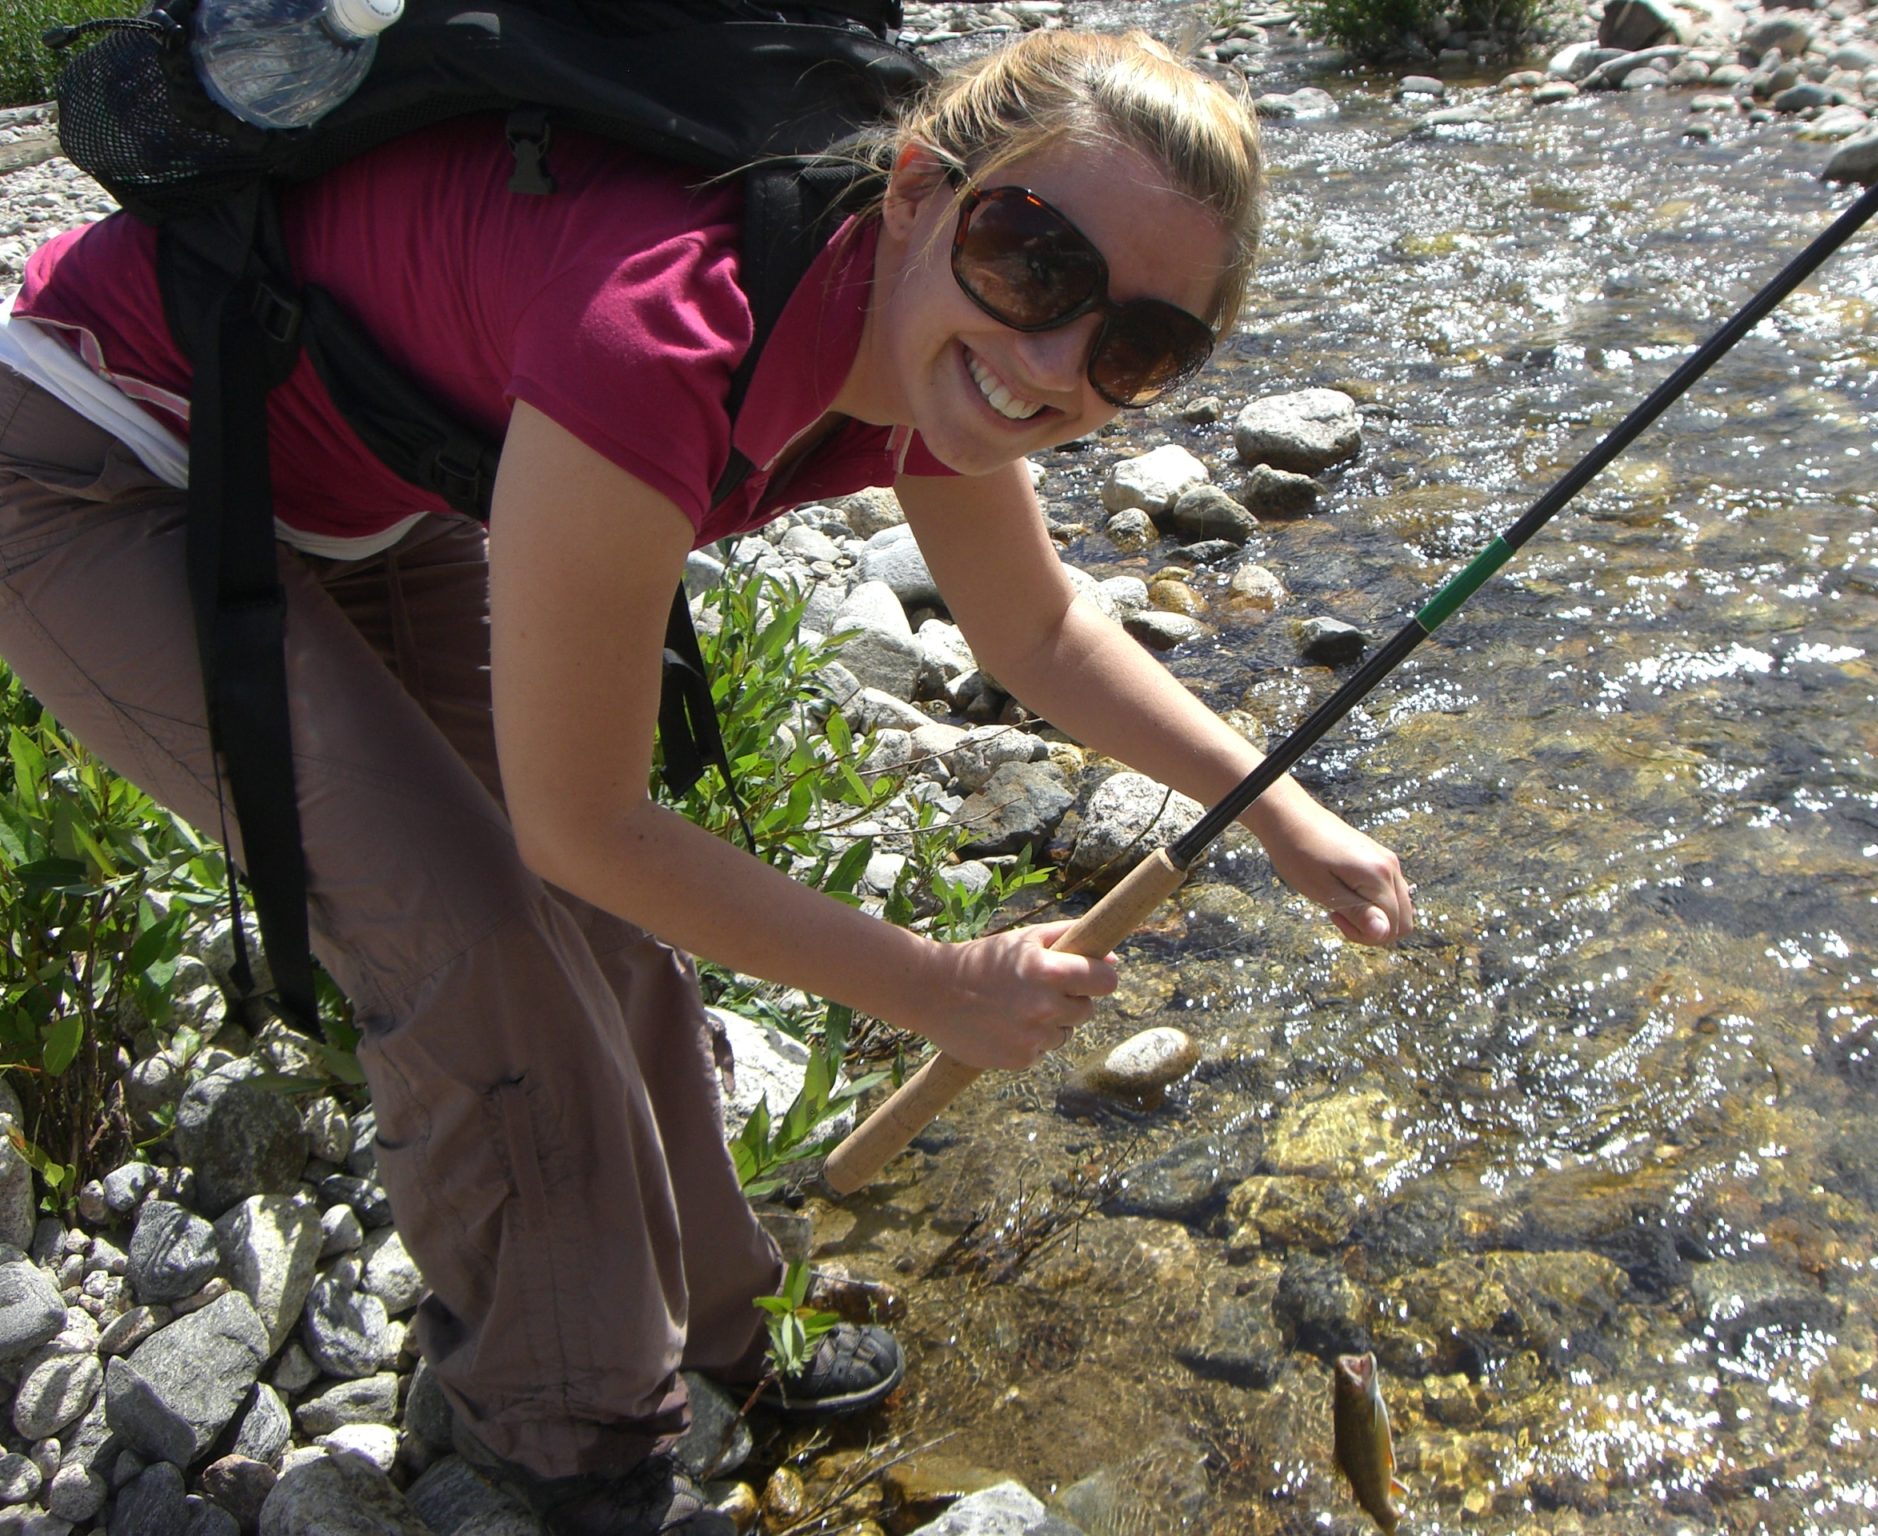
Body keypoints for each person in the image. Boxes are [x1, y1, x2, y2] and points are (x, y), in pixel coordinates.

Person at [0, 26, 1413, 1536]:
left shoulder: (939, 351)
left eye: (1139, 347)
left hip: (365, 480)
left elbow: (1045, 629)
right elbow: (582, 821)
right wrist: (933, 982)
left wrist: (1281, 806)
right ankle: (571, 1437)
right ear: (924, 189)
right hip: (103, 462)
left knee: (612, 931)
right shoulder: (665, 326)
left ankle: (726, 1330)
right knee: (475, 932)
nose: (1058, 361)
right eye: (1034, 257)